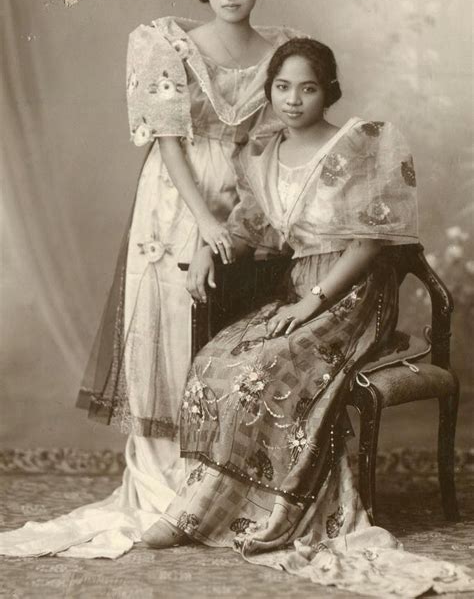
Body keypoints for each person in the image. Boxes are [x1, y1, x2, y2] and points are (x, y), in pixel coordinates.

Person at [0, 0, 301, 559]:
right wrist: (205, 221)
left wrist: (236, 214)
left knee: (240, 328)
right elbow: (167, 141)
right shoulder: (167, 42)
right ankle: (173, 483)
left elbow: (268, 143)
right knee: (169, 323)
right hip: (177, 197)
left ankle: (232, 479)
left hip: (246, 195)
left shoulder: (283, 51)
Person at [142, 38, 473, 596]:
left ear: (328, 91)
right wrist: (207, 246)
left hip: (354, 292)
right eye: (282, 87)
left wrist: (307, 305)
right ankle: (205, 508)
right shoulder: (261, 152)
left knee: (270, 368)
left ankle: (266, 513)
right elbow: (248, 229)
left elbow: (369, 245)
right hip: (298, 286)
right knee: (216, 363)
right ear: (270, 91)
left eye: (308, 88)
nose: (293, 100)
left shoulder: (362, 144)